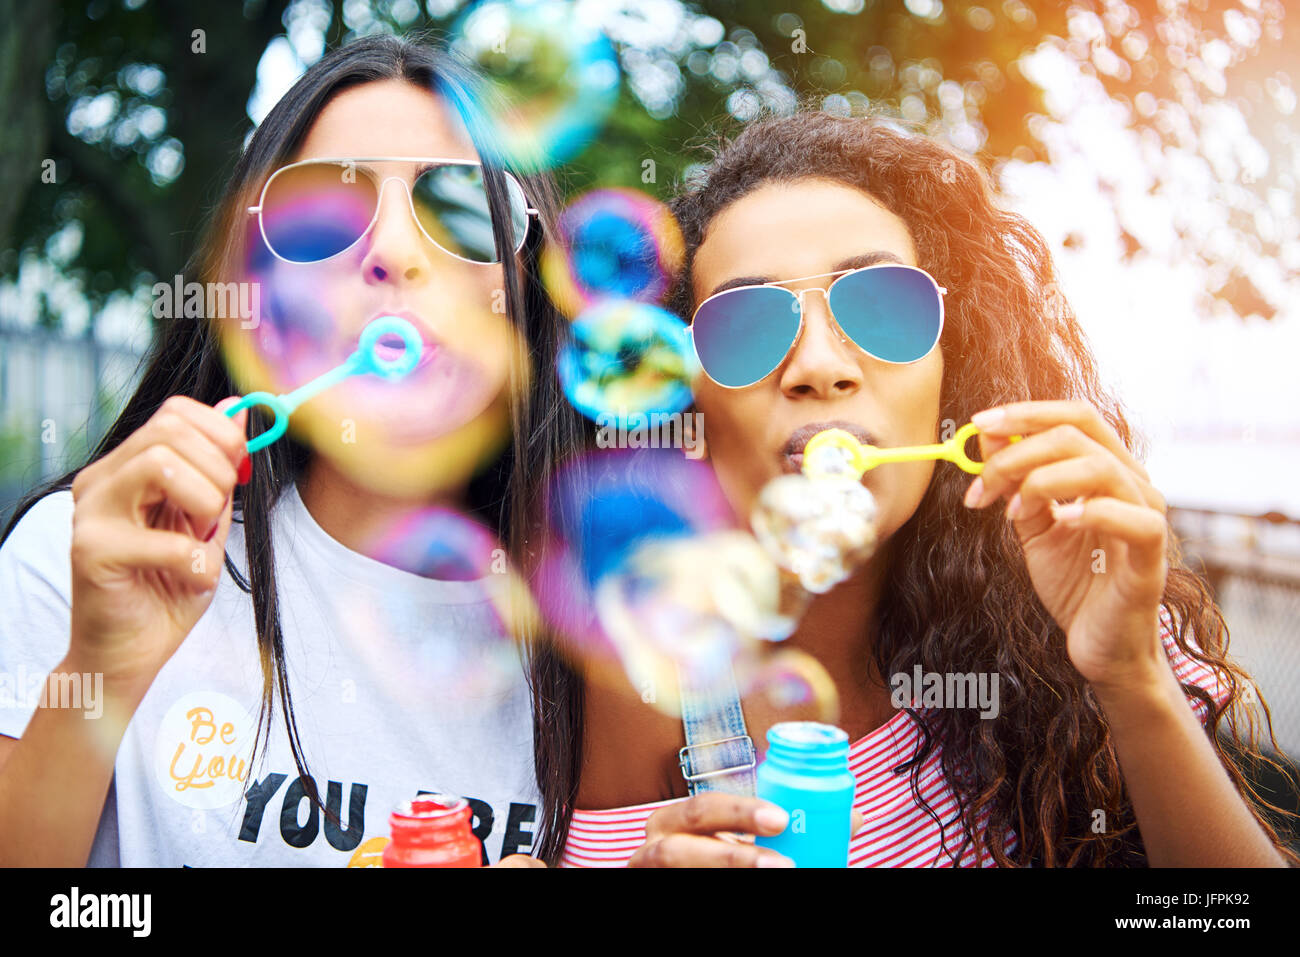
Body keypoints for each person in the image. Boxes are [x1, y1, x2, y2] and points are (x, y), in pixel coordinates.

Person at [534, 109, 1298, 867]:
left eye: (882, 307)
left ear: (951, 367)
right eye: (744, 326)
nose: (819, 365)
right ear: (690, 397)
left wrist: (1133, 676)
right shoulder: (642, 686)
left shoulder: (1074, 598)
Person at [0, 35, 583, 867]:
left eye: (457, 210)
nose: (392, 252)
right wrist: (101, 662)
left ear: (524, 284)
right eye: (323, 215)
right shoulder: (94, 554)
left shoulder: (585, 627)